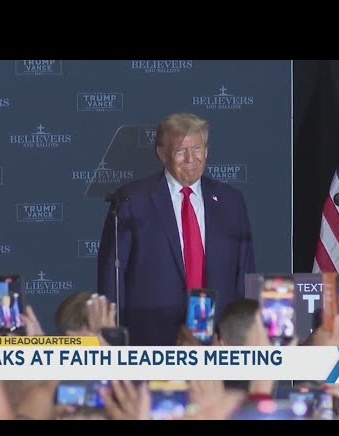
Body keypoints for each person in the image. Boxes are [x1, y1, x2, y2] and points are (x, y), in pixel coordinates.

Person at [97, 113, 255, 345]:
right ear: (162, 154)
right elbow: (112, 277)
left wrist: (242, 333)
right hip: (151, 339)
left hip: (218, 339)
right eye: (180, 150)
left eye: (197, 148)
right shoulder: (131, 200)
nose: (191, 158)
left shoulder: (231, 201)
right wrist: (113, 337)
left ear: (207, 150)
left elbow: (244, 271)